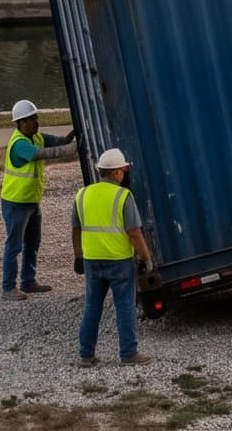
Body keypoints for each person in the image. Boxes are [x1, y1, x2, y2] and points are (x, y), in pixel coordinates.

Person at [72, 148, 154, 366]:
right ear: (117, 172)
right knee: (125, 306)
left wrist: (78, 256)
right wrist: (147, 259)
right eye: (123, 171)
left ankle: (85, 355)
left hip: (92, 260)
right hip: (119, 261)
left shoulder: (82, 195)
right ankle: (128, 354)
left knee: (92, 306)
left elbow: (76, 229)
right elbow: (134, 232)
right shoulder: (123, 196)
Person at [0, 98, 75, 298]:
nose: (36, 121)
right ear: (20, 123)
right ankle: (8, 287)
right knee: (14, 245)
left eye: (36, 117)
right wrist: (72, 150)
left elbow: (61, 141)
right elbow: (41, 154)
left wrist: (76, 131)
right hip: (16, 203)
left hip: (31, 201)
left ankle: (28, 281)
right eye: (31, 119)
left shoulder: (36, 137)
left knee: (33, 242)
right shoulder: (19, 144)